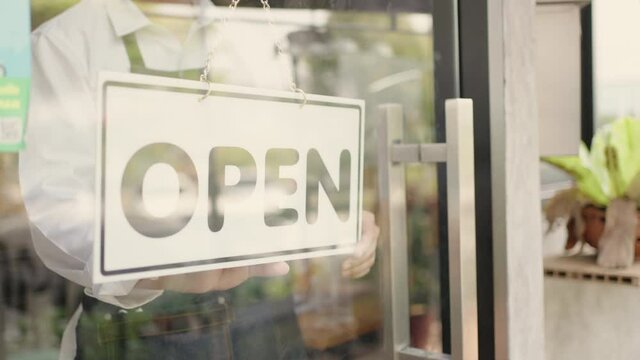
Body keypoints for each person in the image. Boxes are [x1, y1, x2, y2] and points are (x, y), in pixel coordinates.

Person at [19, 0, 379, 358]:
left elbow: (281, 163)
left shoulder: (250, 35)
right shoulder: (65, 42)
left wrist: (332, 215)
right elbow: (58, 207)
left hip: (263, 324)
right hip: (137, 332)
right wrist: (158, 270)